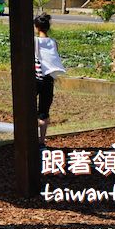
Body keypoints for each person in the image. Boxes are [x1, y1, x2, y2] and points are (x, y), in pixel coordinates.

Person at [34, 13, 66, 147]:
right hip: (49, 81)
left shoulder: (34, 41)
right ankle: (41, 141)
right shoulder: (53, 43)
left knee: (28, 109)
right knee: (44, 112)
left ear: (36, 27)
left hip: (35, 80)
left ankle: (31, 138)